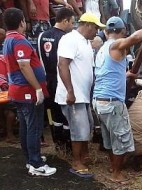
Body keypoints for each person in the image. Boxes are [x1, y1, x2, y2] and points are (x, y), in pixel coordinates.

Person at [92, 17, 142, 182]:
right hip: (112, 102)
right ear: (122, 32)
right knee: (121, 139)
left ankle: (113, 167)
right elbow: (133, 39)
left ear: (106, 31)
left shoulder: (103, 49)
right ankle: (117, 174)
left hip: (99, 100)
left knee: (111, 139)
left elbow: (107, 72)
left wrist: (126, 74)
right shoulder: (116, 45)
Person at [2, 7, 56, 176]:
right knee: (33, 127)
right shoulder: (18, 40)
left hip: (18, 90)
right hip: (27, 91)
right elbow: (24, 65)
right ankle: (36, 164)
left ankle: (31, 158)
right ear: (22, 22)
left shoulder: (8, 40)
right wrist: (38, 88)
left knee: (26, 126)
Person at [55, 12, 105, 177]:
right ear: (88, 25)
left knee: (87, 127)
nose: (96, 31)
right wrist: (70, 91)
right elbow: (62, 65)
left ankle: (83, 157)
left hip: (82, 95)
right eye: (96, 28)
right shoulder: (70, 39)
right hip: (73, 95)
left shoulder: (85, 42)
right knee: (79, 129)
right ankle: (77, 162)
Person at [37, 7, 75, 151]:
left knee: (53, 112)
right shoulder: (65, 38)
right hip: (61, 80)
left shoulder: (42, 36)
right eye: (71, 22)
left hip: (47, 80)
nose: (72, 26)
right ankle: (67, 146)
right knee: (65, 113)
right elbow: (64, 64)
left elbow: (40, 60)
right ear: (64, 20)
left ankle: (58, 143)